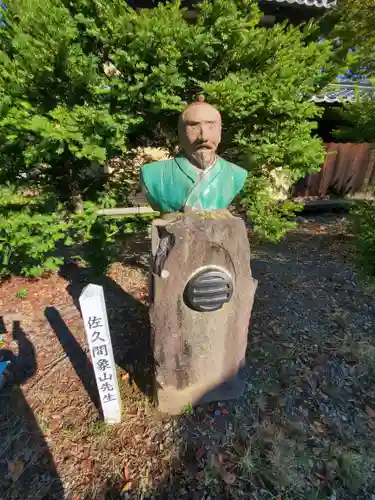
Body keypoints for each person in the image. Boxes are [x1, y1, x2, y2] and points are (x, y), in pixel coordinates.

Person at [140, 97, 248, 213]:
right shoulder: (153, 175)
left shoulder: (236, 174)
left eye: (211, 126)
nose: (203, 137)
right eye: (194, 127)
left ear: (220, 132)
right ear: (180, 133)